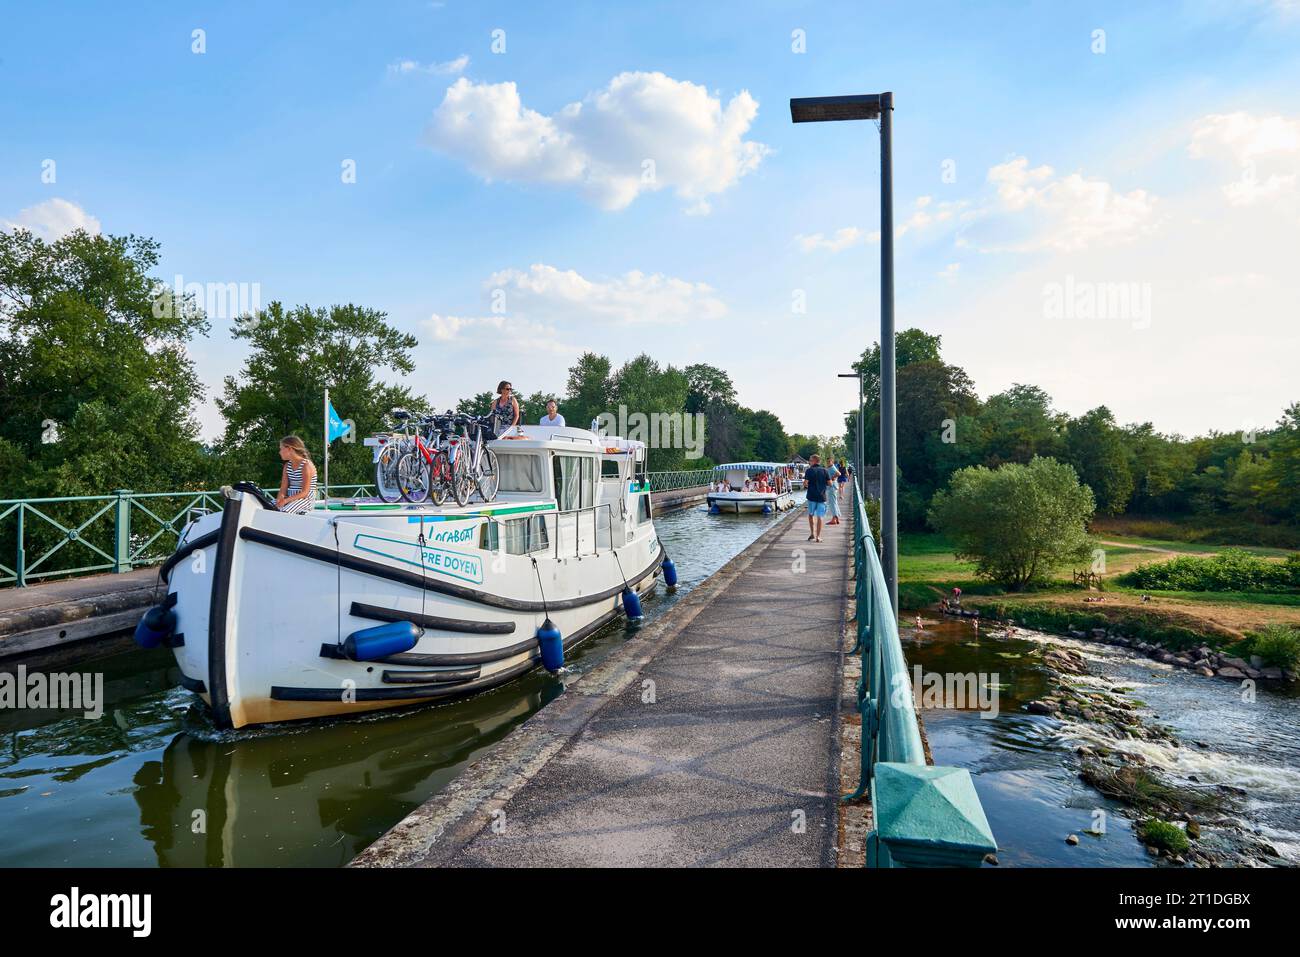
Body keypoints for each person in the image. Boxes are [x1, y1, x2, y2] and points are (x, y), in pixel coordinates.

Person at [276, 436, 317, 514]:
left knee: (284, 512)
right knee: (267, 506)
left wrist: (285, 501)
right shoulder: (287, 466)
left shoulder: (306, 465)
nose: (279, 452)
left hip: (305, 500)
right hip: (289, 498)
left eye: (281, 449)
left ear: (289, 449)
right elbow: (283, 488)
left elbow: (305, 492)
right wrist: (280, 498)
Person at [803, 453, 831, 542]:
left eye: (810, 460)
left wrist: (808, 486)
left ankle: (812, 534)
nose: (809, 462)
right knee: (820, 516)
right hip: (822, 497)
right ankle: (818, 537)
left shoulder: (809, 471)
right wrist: (823, 484)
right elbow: (830, 483)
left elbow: (805, 483)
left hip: (811, 496)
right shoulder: (825, 470)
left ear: (814, 461)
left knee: (811, 515)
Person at [825, 460, 842, 525]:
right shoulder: (831, 467)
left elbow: (839, 473)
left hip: (832, 487)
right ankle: (836, 518)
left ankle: (834, 519)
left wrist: (833, 477)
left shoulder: (832, 467)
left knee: (832, 503)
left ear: (832, 462)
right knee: (834, 503)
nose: (828, 462)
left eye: (829, 461)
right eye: (827, 461)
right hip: (832, 487)